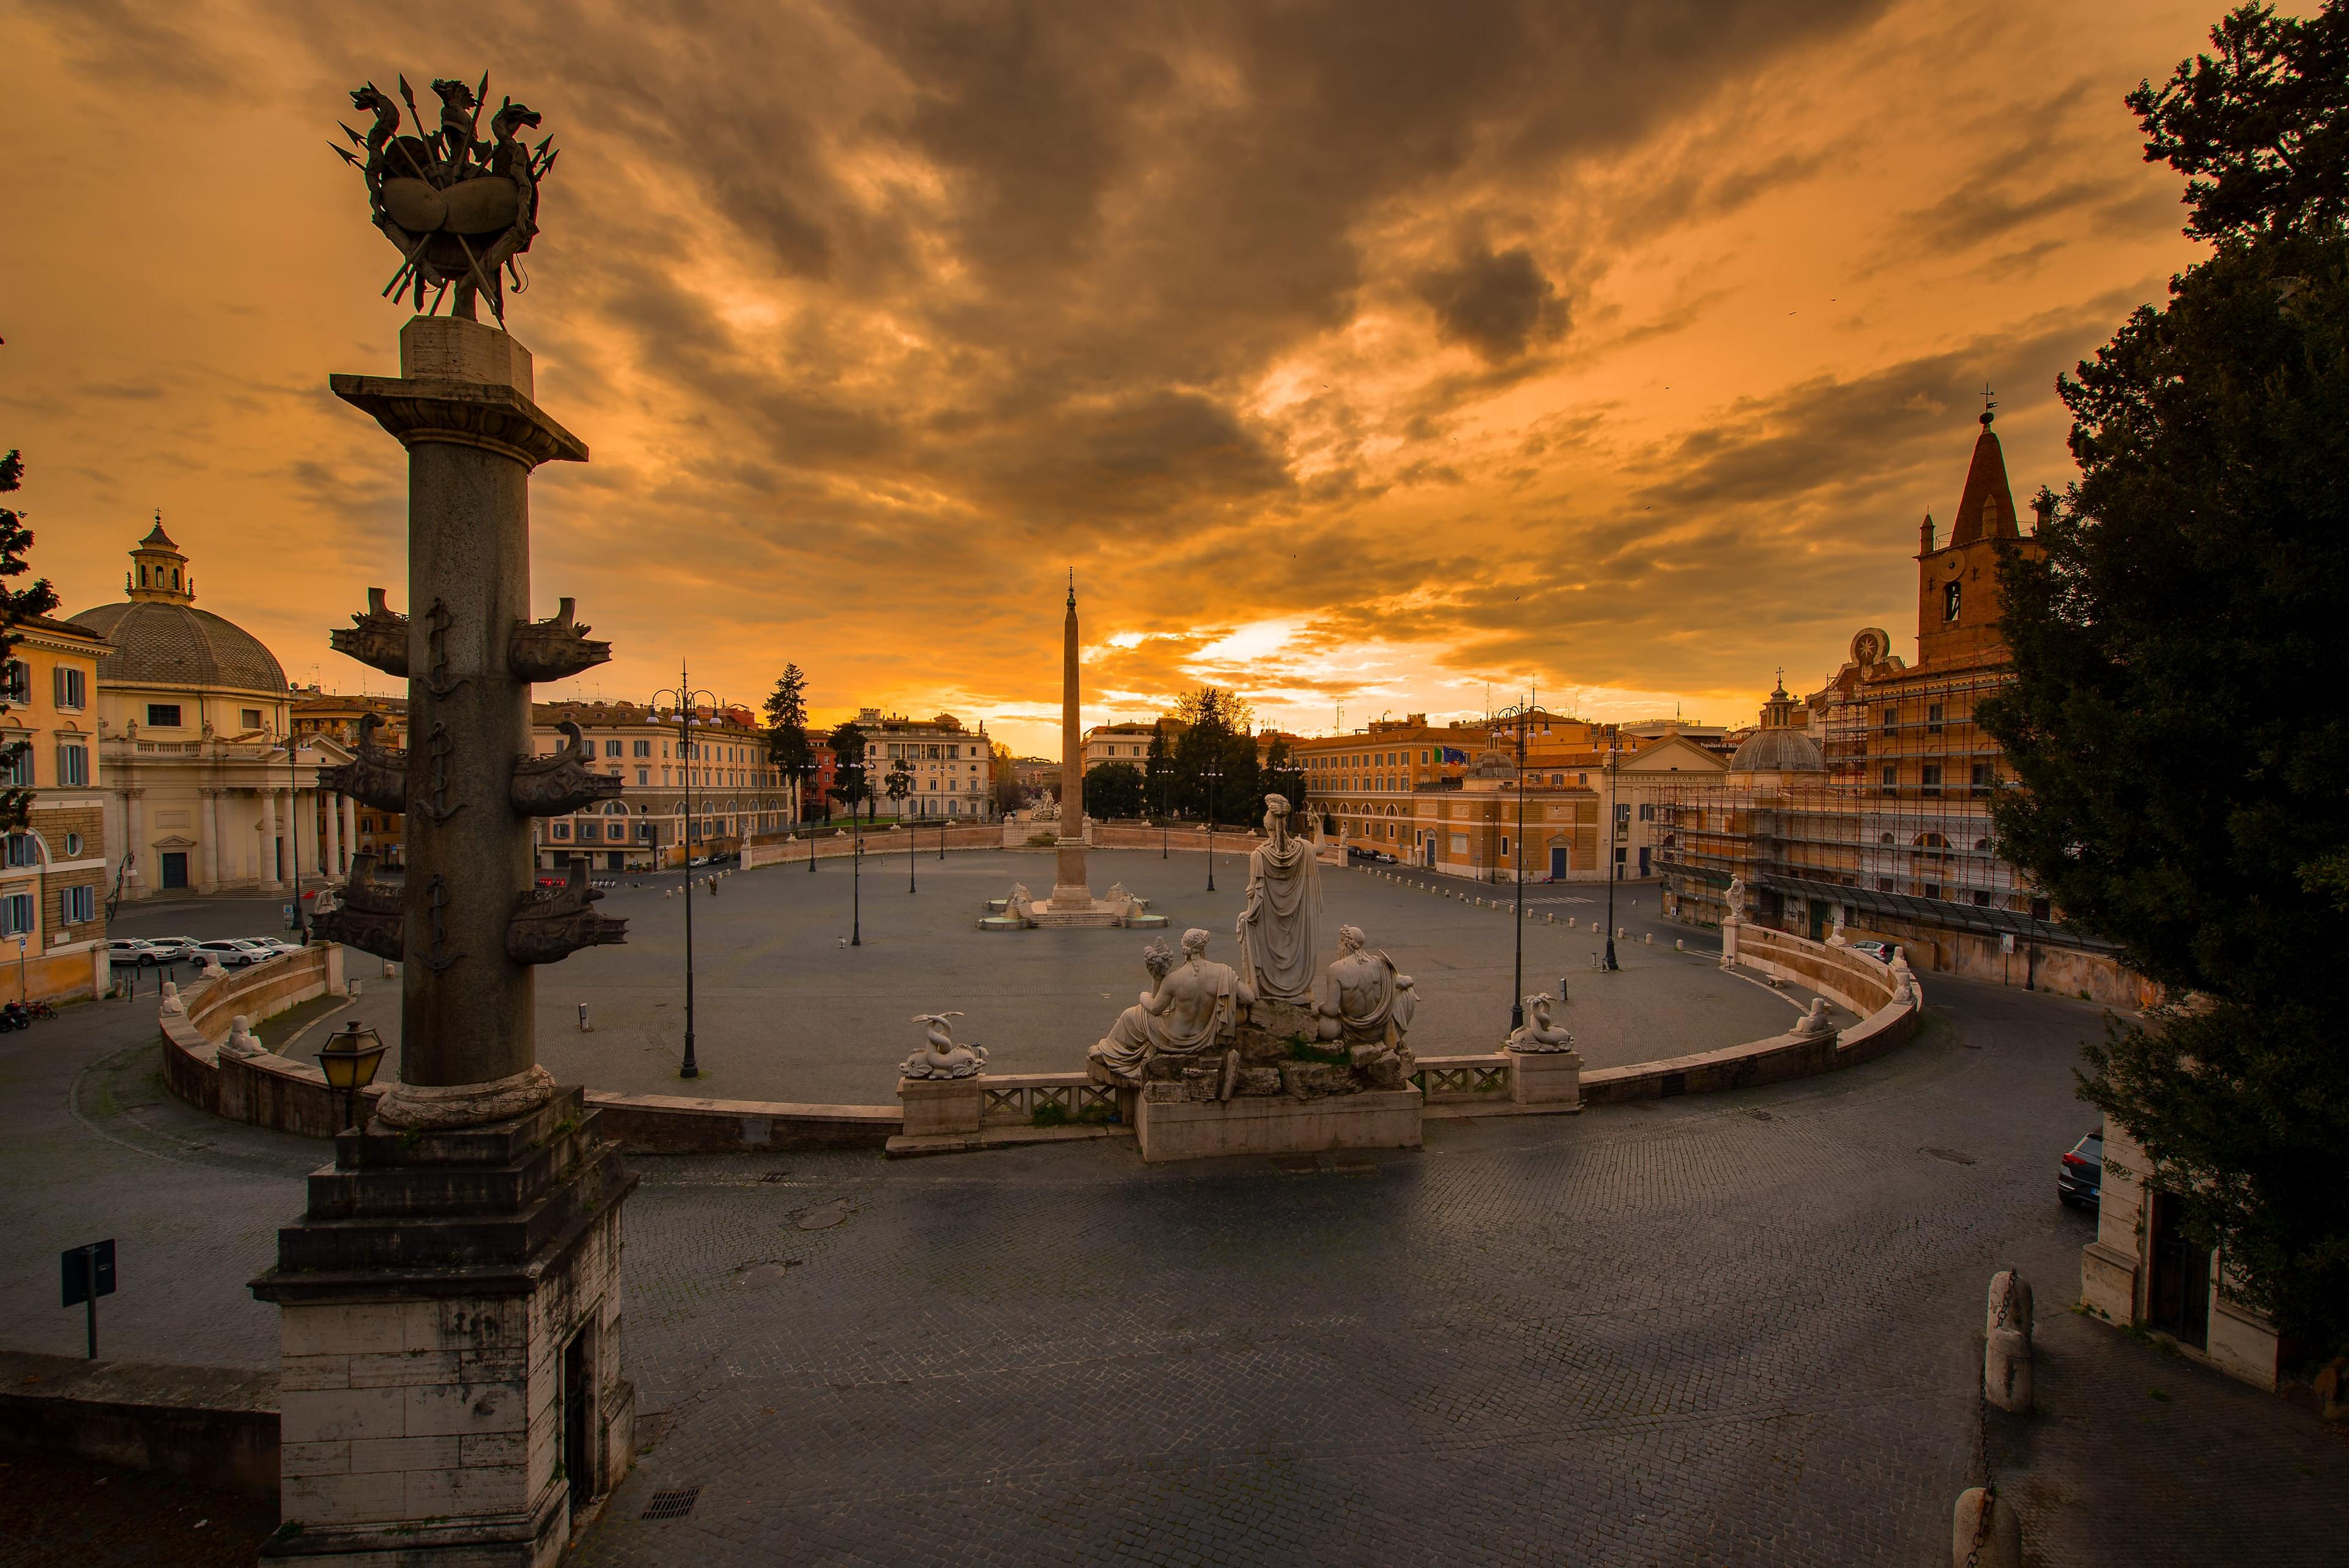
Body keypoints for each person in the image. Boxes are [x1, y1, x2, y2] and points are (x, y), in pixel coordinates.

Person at [1234, 793, 1321, 1007]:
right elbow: (1320, 849)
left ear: (1269, 823)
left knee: (1244, 922)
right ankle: (1295, 987)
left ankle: (1266, 988)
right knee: (1291, 949)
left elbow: (1256, 898)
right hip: (1295, 924)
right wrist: (1318, 827)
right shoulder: (1303, 849)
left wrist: (1246, 917)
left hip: (1268, 923)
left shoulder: (1260, 855)